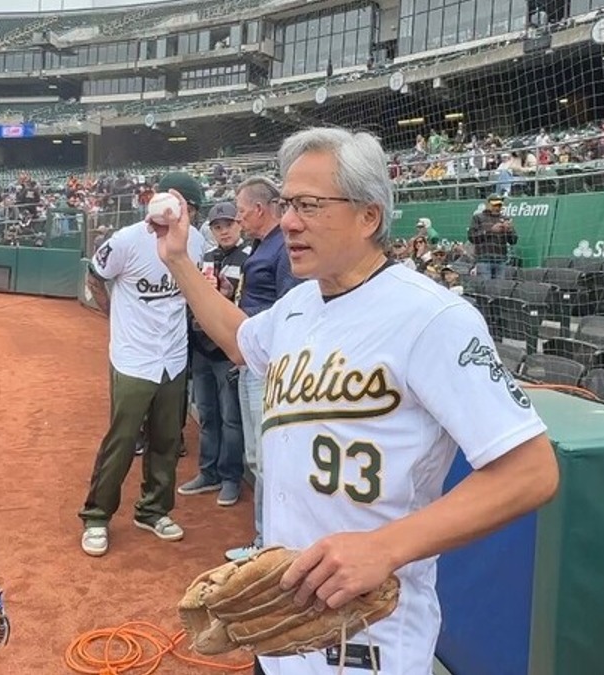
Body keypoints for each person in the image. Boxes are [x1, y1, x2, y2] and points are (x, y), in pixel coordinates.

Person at [152, 126, 559, 675]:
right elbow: (239, 339)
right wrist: (177, 259)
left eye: (310, 205)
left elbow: (530, 472)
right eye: (287, 204)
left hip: (369, 642)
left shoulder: (433, 317)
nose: (290, 221)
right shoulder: (299, 307)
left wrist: (385, 548)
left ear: (369, 216)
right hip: (281, 624)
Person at [79, 172, 204, 557]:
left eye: (192, 207)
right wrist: (115, 319)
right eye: (181, 203)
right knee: (122, 438)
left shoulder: (197, 242)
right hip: (134, 356)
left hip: (174, 354)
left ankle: (153, 510)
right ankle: (97, 515)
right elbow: (95, 278)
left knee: (168, 438)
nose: (185, 213)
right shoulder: (128, 240)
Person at [225, 175, 302, 563]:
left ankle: (268, 545)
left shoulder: (281, 249)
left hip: (268, 364)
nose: (238, 219)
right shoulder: (262, 246)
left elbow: (290, 307)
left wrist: (250, 328)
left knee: (266, 457)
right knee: (257, 456)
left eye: (240, 212)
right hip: (252, 356)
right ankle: (264, 540)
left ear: (258, 209)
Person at [178, 202, 250, 506]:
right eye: (218, 226)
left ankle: (230, 477)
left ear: (239, 225)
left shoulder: (249, 257)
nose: (224, 231)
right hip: (203, 347)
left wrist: (224, 297)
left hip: (229, 351)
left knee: (231, 418)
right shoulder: (206, 257)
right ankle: (209, 473)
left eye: (229, 224)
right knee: (207, 414)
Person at [468, 194, 517, 280]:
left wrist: (509, 231)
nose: (497, 207)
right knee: (486, 288)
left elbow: (514, 241)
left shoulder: (505, 219)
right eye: (495, 205)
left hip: (501, 260)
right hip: (484, 260)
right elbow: (472, 237)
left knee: (499, 289)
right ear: (487, 204)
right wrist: (490, 231)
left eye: (499, 205)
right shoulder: (478, 218)